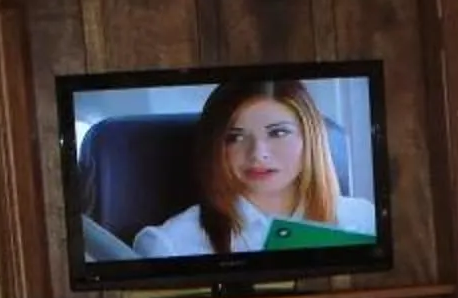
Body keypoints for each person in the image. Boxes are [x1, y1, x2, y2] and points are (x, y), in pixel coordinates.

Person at [132, 79, 377, 258]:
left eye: (278, 133)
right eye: (236, 137)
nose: (258, 153)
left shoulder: (364, 221)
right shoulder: (168, 245)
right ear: (215, 147)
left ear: (310, 139)